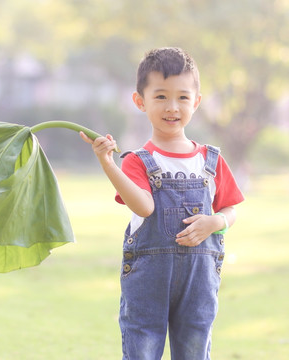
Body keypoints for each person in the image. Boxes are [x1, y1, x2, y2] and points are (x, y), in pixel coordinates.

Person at [80, 47, 244, 359]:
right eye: (160, 97)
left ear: (196, 102)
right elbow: (144, 207)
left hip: (199, 282)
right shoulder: (137, 162)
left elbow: (230, 209)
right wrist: (108, 163)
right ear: (140, 101)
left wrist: (216, 222)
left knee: (195, 349)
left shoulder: (211, 160)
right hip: (147, 282)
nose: (172, 107)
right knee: (143, 345)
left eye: (183, 97)